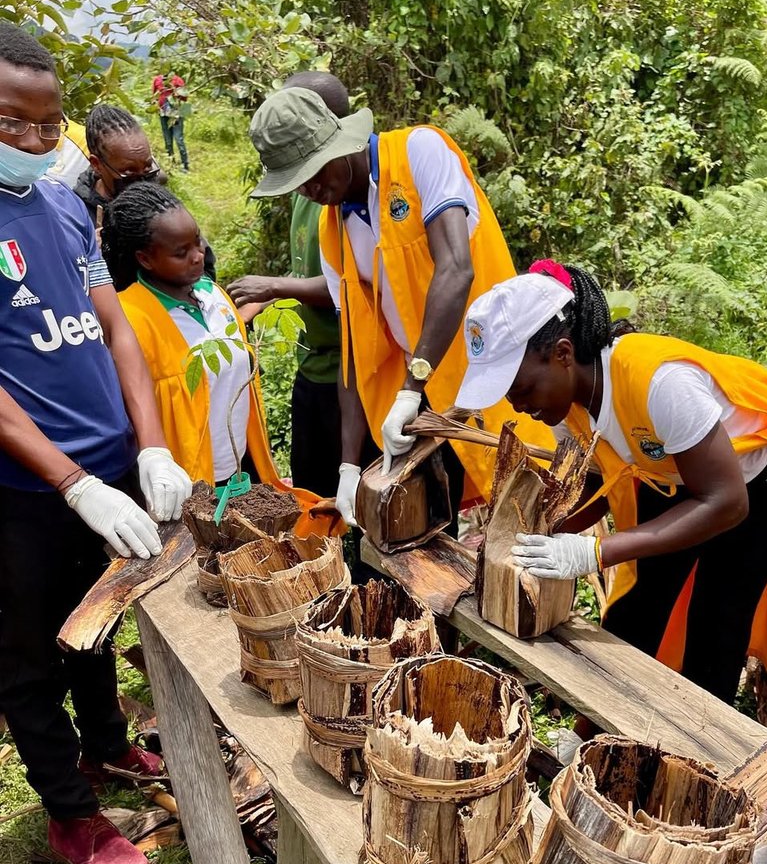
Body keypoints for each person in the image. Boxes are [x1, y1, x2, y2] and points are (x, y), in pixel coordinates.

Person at [455, 262, 767, 706]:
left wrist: (594, 552)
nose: (518, 406)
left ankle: (703, 743)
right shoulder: (570, 406)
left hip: (763, 480)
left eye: (521, 388)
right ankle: (599, 720)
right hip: (678, 474)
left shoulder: (661, 384)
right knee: (639, 602)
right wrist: (528, 535)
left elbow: (726, 502)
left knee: (717, 612)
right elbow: (593, 487)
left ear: (563, 354)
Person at [0, 22, 192, 864]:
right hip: (27, 488)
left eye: (50, 127)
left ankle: (107, 746)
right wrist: (73, 483)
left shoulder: (68, 206)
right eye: (15, 124)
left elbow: (113, 329)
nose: (37, 143)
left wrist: (146, 448)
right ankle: (71, 816)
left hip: (107, 467)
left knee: (99, 621)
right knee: (28, 655)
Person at [246, 87, 554, 528]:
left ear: (338, 142)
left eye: (313, 172)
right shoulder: (334, 229)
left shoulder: (419, 152)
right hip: (427, 392)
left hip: (498, 371)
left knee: (522, 503)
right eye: (297, 183)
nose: (311, 190)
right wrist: (348, 468)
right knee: (437, 524)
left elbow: (455, 269)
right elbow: (353, 350)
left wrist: (411, 387)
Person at [103, 183, 323, 530]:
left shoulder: (215, 296)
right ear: (145, 258)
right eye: (181, 252)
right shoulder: (129, 318)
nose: (198, 255)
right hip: (188, 484)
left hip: (242, 466)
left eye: (197, 241)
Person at [227, 72, 348, 495]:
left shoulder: (344, 194)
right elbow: (309, 271)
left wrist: (275, 288)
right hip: (312, 365)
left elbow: (356, 288)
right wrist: (258, 304)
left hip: (350, 373)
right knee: (313, 493)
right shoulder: (306, 189)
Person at [74, 105, 216, 278]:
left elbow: (204, 269)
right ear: (97, 165)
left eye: (148, 167)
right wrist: (93, 258)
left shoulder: (157, 199)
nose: (142, 180)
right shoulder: (77, 217)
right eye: (129, 172)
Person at [152, 72, 189, 171]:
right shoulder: (157, 80)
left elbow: (185, 97)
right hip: (163, 113)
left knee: (178, 139)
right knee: (168, 141)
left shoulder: (177, 80)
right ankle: (170, 164)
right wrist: (155, 104)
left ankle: (185, 165)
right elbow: (154, 96)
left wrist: (175, 91)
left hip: (176, 114)